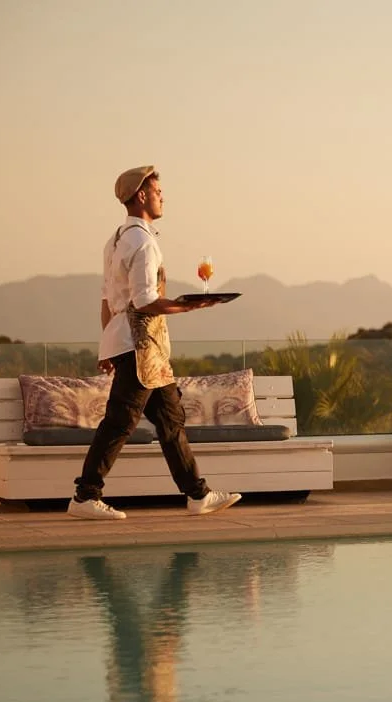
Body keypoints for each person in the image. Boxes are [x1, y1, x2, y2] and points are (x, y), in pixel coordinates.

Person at [68, 165, 241, 520]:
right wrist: (190, 306)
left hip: (141, 348)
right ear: (142, 195)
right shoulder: (143, 242)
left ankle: (197, 494)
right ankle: (85, 496)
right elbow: (145, 301)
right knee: (120, 422)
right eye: (159, 191)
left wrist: (107, 346)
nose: (163, 196)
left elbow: (107, 299)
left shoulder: (116, 239)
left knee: (170, 420)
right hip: (140, 347)